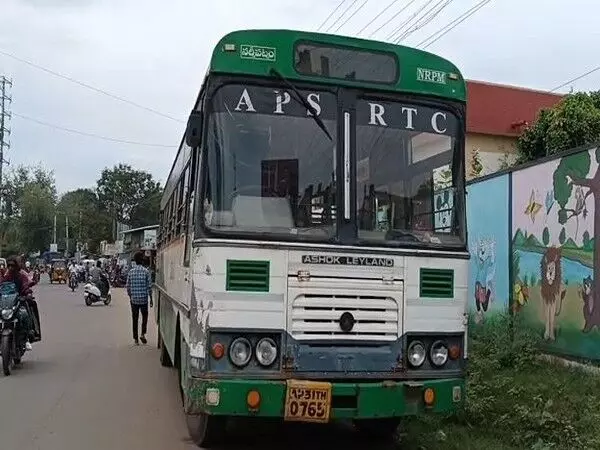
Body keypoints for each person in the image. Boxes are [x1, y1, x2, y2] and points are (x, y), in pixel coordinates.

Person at [0, 255, 39, 350]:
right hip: (6, 303)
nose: (10, 268)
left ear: (16, 266)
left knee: (24, 315)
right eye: (9, 265)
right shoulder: (5, 277)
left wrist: (28, 294)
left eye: (12, 265)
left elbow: (26, 287)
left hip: (19, 301)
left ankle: (26, 338)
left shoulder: (21, 276)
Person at [126, 251, 153, 345]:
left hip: (134, 300)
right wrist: (151, 299)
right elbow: (149, 286)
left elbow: (128, 287)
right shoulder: (146, 272)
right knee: (144, 317)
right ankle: (142, 333)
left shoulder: (131, 272)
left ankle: (136, 339)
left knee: (135, 318)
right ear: (142, 261)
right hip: (144, 299)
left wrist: (130, 296)